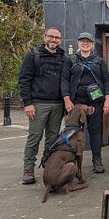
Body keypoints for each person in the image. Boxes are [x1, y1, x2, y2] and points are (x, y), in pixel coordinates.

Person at [18, 28, 66, 184]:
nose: (54, 40)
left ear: (60, 40)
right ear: (44, 37)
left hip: (58, 104)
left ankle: (48, 166)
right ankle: (28, 169)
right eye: (51, 36)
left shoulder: (64, 57)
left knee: (52, 139)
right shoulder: (33, 56)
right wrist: (28, 103)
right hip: (38, 104)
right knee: (34, 137)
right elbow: (24, 80)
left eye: (57, 37)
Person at [61, 32, 109, 173]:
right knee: (73, 132)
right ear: (78, 43)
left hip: (94, 101)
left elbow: (106, 81)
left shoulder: (99, 61)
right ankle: (72, 161)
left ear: (92, 44)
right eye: (82, 41)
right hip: (76, 101)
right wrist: (67, 99)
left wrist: (108, 99)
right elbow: (64, 80)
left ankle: (97, 160)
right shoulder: (70, 60)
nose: (85, 43)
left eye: (88, 41)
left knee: (95, 131)